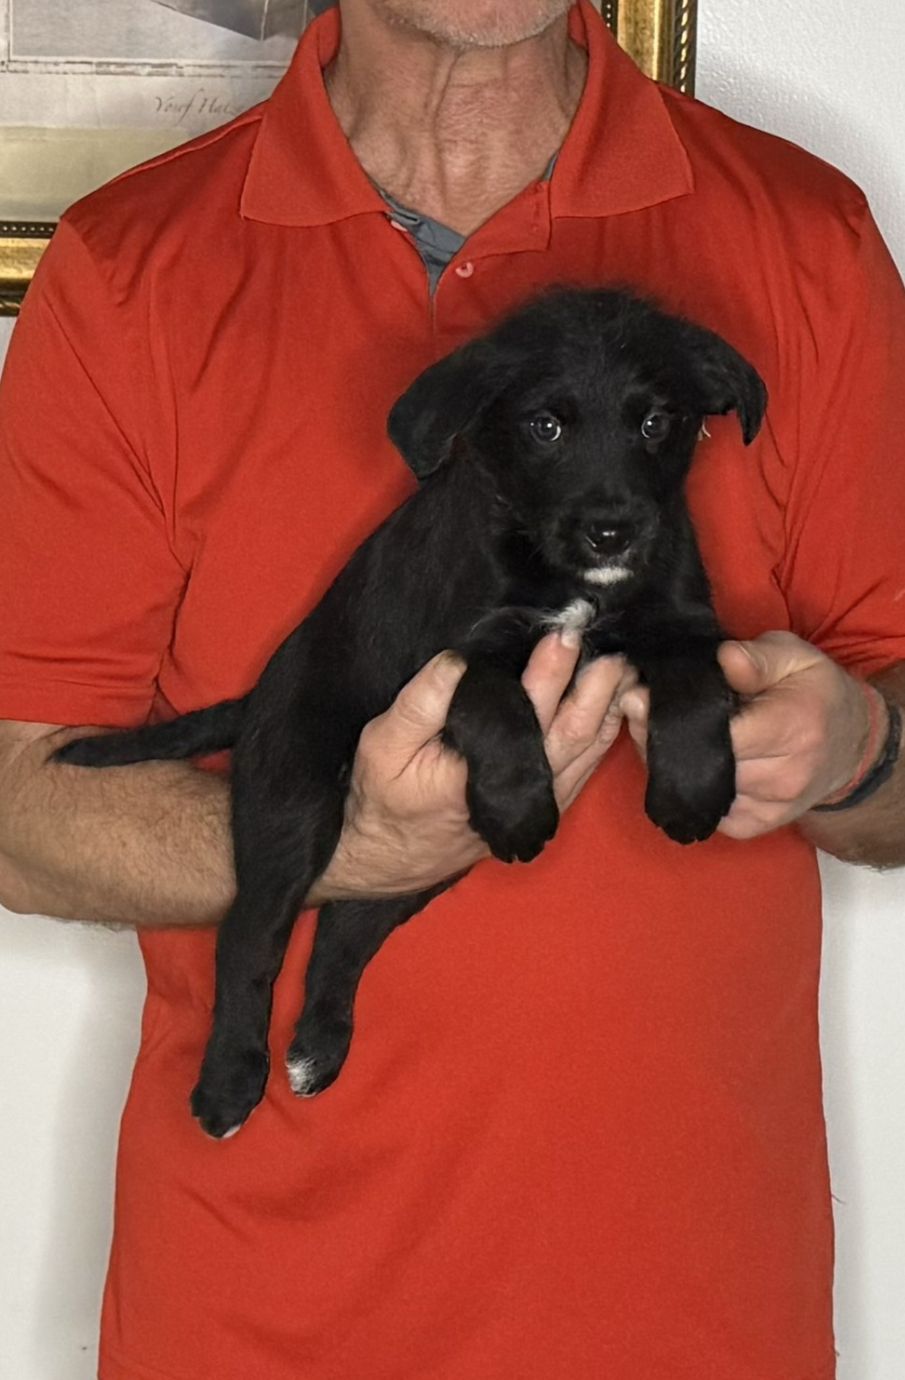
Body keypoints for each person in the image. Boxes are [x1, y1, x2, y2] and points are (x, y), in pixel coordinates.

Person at [0, 1, 903, 1375]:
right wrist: (338, 845)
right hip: (261, 1314)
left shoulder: (804, 238)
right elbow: (18, 799)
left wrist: (855, 749)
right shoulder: (132, 268)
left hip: (687, 1307)